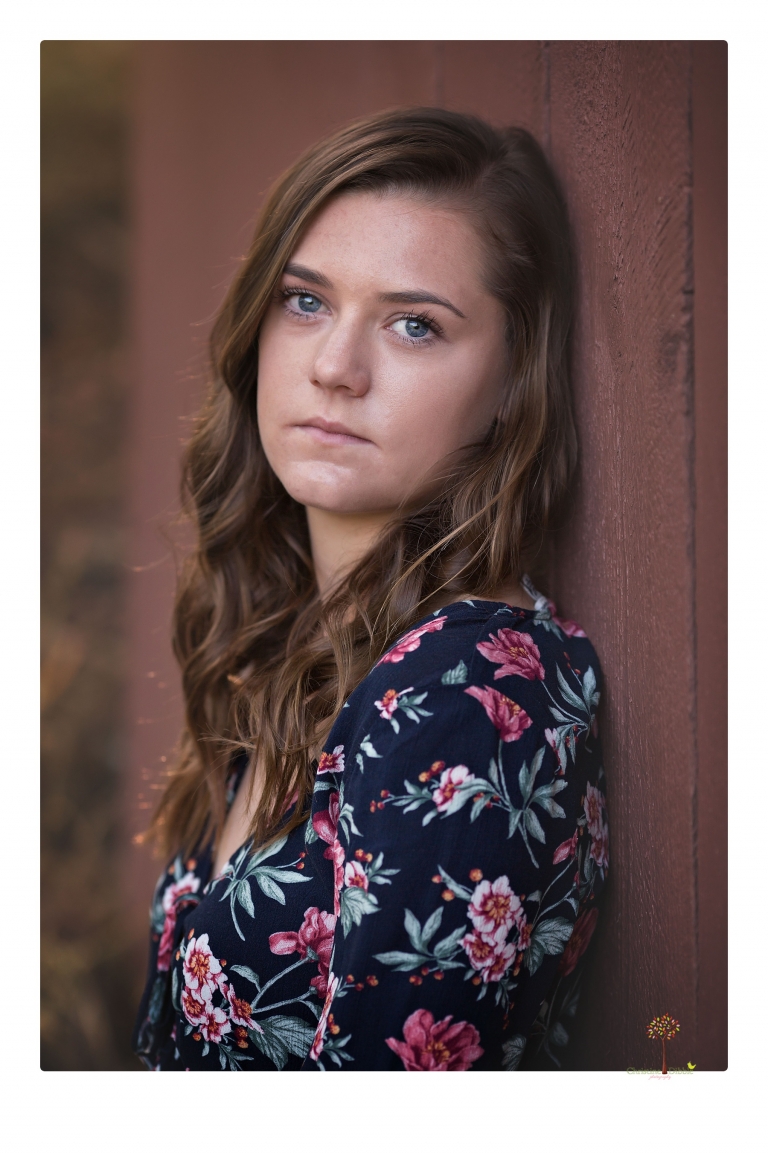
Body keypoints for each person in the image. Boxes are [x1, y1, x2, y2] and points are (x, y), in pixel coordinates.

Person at [132, 107, 609, 1072]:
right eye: (306, 302)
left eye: (413, 325)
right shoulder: (290, 651)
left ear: (514, 381)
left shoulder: (467, 692)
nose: (334, 368)